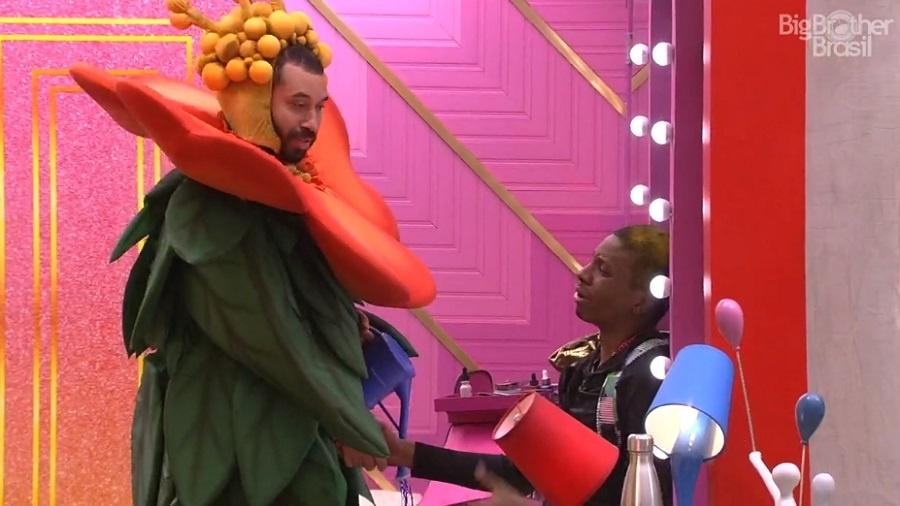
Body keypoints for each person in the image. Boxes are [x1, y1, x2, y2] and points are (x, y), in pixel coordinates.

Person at [71, 1, 434, 504]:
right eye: (297, 105)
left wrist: (344, 323)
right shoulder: (215, 208)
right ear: (255, 101)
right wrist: (353, 423)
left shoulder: (284, 194)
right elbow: (272, 336)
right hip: (238, 444)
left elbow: (291, 304)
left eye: (319, 107)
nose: (312, 122)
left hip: (295, 434)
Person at [380, 225, 674, 506]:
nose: (583, 274)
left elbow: (646, 493)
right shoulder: (580, 370)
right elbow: (533, 471)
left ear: (641, 300)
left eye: (603, 270)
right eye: (591, 263)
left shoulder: (649, 375)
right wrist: (405, 453)